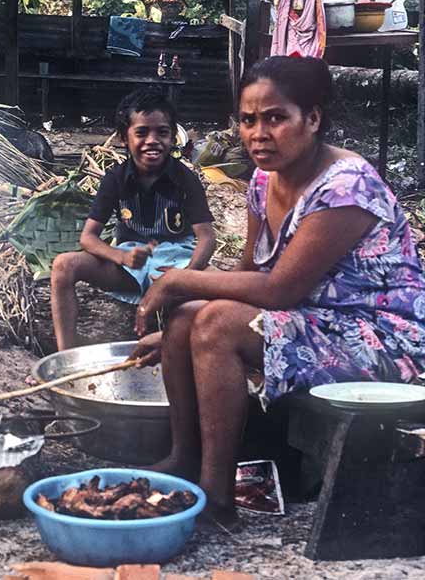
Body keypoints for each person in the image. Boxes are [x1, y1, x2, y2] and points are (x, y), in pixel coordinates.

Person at [130, 56, 425, 530]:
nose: (258, 134)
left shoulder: (346, 186)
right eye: (248, 120)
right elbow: (249, 271)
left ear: (312, 118)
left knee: (216, 322)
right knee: (189, 317)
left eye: (275, 118)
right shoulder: (264, 179)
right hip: (316, 320)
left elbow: (279, 289)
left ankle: (216, 500)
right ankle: (183, 460)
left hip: (383, 338)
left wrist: (177, 278)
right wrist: (174, 334)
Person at [50, 89, 216, 353]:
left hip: (178, 263)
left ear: (173, 137)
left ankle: (202, 350)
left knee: (223, 286)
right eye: (141, 133)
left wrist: (186, 275)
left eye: (162, 132)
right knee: (63, 265)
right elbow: (88, 238)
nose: (152, 141)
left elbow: (206, 237)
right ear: (124, 139)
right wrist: (118, 257)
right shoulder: (115, 179)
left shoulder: (186, 179)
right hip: (130, 266)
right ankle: (64, 356)